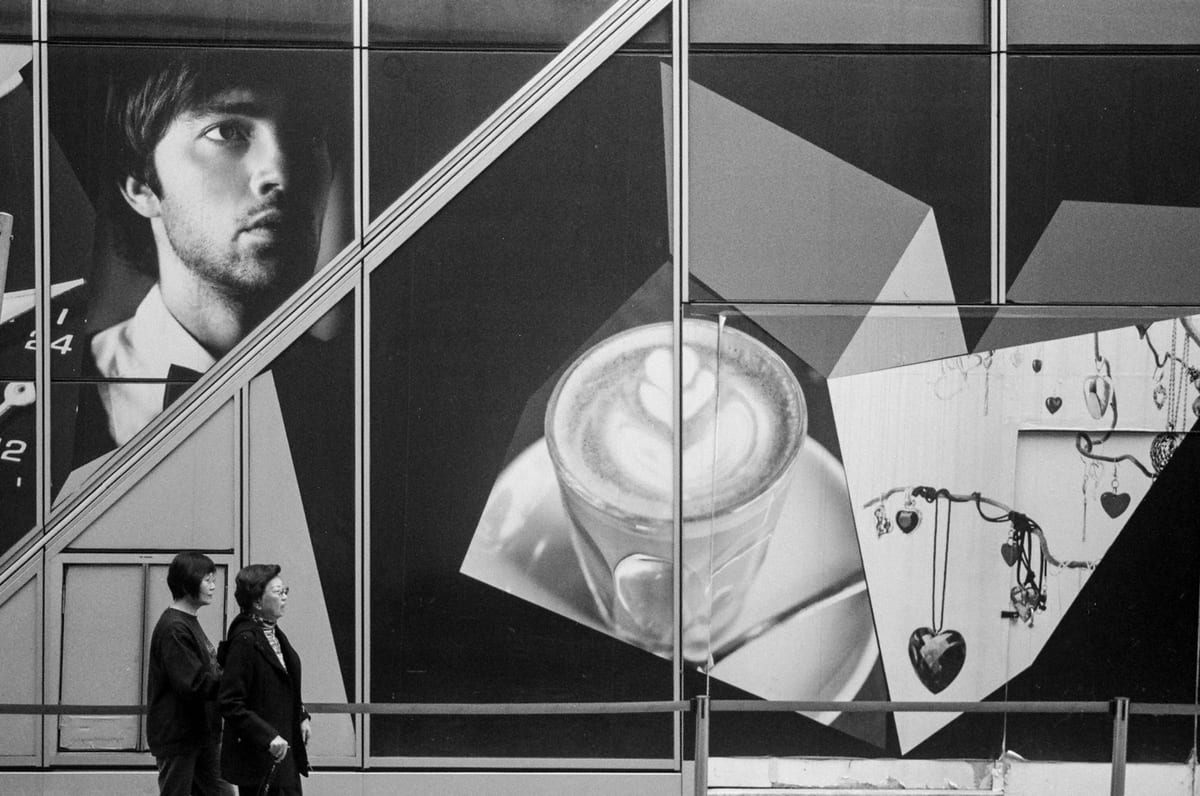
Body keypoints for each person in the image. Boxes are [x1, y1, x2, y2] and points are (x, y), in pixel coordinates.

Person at [82, 49, 342, 448]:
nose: (281, 173)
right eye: (227, 132)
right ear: (141, 187)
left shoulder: (364, 394)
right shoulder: (49, 393)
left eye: (308, 135)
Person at [219, 564, 311, 796]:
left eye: (285, 590)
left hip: (282, 754)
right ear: (258, 602)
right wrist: (267, 736)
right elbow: (230, 702)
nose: (285, 597)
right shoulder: (245, 640)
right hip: (261, 759)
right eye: (278, 592)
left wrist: (301, 714)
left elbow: (283, 684)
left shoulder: (273, 633)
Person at [146, 551, 225, 796]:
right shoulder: (174, 627)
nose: (213, 586)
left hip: (199, 735)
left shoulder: (186, 621)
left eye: (213, 580)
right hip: (180, 737)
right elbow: (193, 684)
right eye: (207, 580)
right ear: (187, 582)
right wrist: (234, 679)